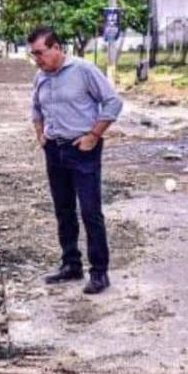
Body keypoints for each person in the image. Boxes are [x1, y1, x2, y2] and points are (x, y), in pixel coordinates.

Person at [29, 25, 123, 295]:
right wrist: (40, 134)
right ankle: (71, 264)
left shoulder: (83, 71)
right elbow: (35, 108)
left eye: (40, 53)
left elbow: (113, 102)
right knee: (63, 210)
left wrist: (94, 135)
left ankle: (99, 272)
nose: (37, 59)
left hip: (82, 149)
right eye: (33, 54)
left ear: (57, 47)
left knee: (90, 211)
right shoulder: (40, 76)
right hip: (54, 150)